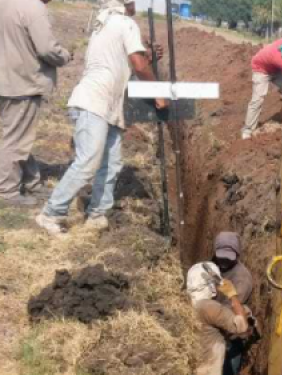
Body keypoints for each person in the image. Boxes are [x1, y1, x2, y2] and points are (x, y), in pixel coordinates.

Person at [35, 0, 166, 235]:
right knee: (88, 162)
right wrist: (158, 92)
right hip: (94, 103)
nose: (136, 4)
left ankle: (97, 214)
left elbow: (119, 59)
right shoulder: (125, 23)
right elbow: (137, 64)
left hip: (106, 105)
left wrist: (147, 55)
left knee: (112, 163)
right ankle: (51, 213)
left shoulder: (104, 24)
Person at [0, 0, 72, 207]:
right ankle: (7, 190)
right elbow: (47, 49)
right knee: (15, 139)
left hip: (6, 79)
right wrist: (65, 56)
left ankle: (31, 182)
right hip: (22, 82)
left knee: (18, 133)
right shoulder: (34, 8)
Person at [186, 262, 251, 375]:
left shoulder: (188, 303)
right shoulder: (208, 307)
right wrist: (233, 296)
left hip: (190, 374)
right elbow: (241, 326)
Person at [212, 231, 253, 305]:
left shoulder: (242, 278)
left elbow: (233, 307)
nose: (225, 260)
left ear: (237, 255)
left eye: (228, 257)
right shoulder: (212, 266)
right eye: (221, 257)